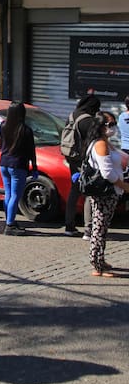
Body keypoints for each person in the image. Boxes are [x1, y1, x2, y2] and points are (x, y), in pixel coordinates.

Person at [82, 112, 129, 277]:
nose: (113, 128)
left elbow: (122, 158)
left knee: (102, 227)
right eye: (109, 125)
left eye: (114, 123)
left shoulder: (106, 143)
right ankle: (97, 265)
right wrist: (124, 185)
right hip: (104, 192)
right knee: (99, 228)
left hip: (111, 192)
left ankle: (100, 260)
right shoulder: (100, 145)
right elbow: (107, 173)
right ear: (100, 127)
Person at [63, 94, 101, 237]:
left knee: (75, 190)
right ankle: (88, 229)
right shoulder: (88, 121)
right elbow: (94, 141)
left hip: (72, 158)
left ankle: (69, 225)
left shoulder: (72, 115)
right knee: (89, 192)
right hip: (84, 160)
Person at [0, 101, 37, 236]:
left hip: (3, 163)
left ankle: (9, 220)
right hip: (18, 165)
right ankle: (10, 224)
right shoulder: (25, 130)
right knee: (15, 195)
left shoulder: (3, 126)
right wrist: (34, 167)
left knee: (8, 194)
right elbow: (31, 150)